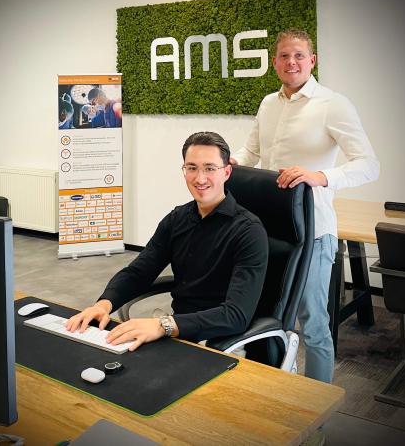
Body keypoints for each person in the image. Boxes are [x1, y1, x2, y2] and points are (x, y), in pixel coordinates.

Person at [231, 29, 380, 383]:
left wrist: (320, 176)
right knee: (267, 317)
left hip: (313, 232)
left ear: (312, 61)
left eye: (299, 55)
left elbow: (369, 165)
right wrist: (227, 165)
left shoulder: (333, 104)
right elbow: (251, 151)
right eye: (284, 56)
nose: (291, 62)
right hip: (267, 231)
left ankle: (318, 410)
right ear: (274, 62)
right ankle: (275, 389)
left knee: (313, 324)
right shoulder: (268, 104)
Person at [66, 131, 268, 350]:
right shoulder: (176, 219)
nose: (200, 178)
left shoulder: (249, 231)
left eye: (210, 168)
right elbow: (139, 272)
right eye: (192, 168)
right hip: (178, 333)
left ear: (227, 172)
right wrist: (103, 305)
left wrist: (164, 325)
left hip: (224, 343)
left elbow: (235, 315)